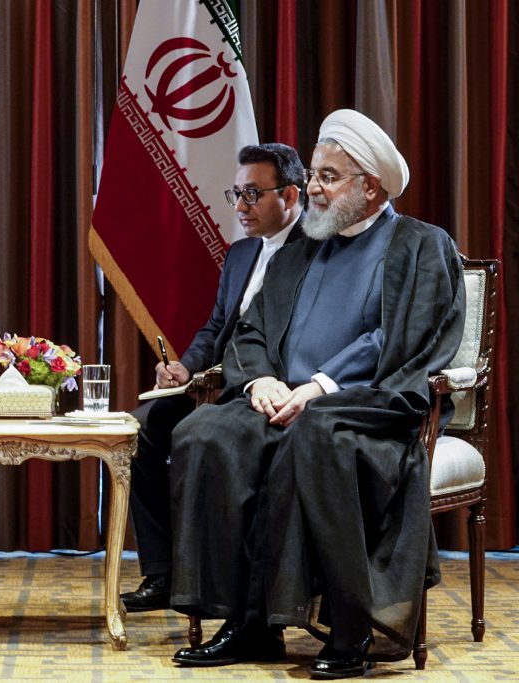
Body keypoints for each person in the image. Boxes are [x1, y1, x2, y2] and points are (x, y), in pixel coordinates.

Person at [168, 109, 464, 679]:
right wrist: (261, 382)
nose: (312, 187)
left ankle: (350, 629)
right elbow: (250, 329)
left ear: (370, 187)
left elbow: (399, 341)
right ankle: (247, 622)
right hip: (281, 400)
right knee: (204, 431)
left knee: (315, 435)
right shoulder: (303, 244)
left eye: (328, 176)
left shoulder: (420, 246)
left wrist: (318, 388)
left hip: (363, 409)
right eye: (314, 175)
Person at [123, 143, 305, 612]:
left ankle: (210, 581)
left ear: (290, 196)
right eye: (236, 194)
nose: (241, 207)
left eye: (252, 194)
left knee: (194, 439)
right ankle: (162, 572)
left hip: (270, 388)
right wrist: (185, 365)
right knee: (138, 432)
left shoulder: (316, 251)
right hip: (213, 382)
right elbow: (216, 326)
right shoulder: (242, 253)